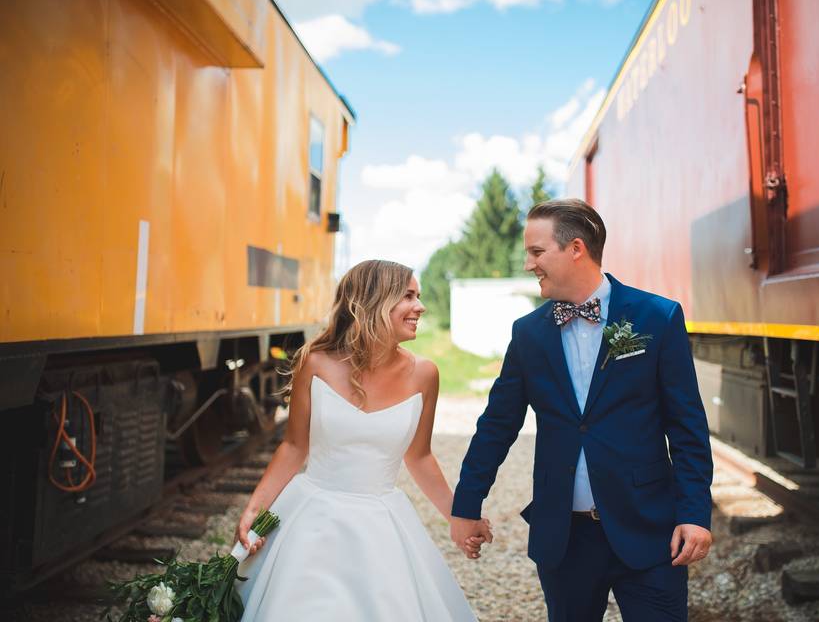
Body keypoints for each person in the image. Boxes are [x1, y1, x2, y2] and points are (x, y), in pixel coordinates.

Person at [450, 199, 713, 622]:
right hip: (564, 537)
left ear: (576, 248)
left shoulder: (657, 317)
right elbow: (497, 426)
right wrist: (466, 505)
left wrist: (695, 514)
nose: (528, 263)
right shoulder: (528, 334)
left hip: (649, 532)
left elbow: (687, 428)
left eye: (536, 252)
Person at [234, 259, 486, 621]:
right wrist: (255, 508)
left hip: (381, 522)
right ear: (373, 302)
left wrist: (459, 517)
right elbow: (294, 447)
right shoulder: (315, 362)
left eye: (419, 296)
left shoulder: (425, 374)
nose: (421, 306)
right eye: (409, 296)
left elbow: (420, 458)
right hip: (310, 518)